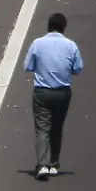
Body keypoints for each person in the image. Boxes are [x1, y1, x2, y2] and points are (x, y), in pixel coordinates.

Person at [23, 13, 82, 180]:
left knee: (42, 128)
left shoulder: (38, 43)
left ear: (48, 26)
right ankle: (54, 163)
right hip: (63, 92)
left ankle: (42, 164)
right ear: (64, 27)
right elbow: (78, 69)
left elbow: (27, 66)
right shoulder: (71, 45)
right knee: (57, 128)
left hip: (42, 91)